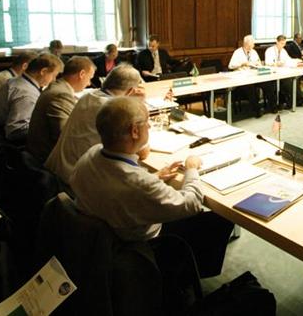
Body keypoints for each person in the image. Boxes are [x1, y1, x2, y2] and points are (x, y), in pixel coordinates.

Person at [70, 97, 233, 278]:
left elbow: (117, 185)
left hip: (102, 239)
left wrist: (155, 177)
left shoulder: (91, 154)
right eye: (147, 123)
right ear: (134, 131)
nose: (149, 127)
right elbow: (192, 203)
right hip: (141, 247)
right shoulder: (139, 183)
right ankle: (183, 278)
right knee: (222, 216)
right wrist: (192, 169)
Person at [45, 65, 144, 186]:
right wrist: (138, 104)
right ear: (131, 91)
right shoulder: (114, 109)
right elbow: (143, 152)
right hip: (74, 181)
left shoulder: (88, 96)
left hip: (56, 170)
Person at [27, 56, 96, 164]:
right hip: (47, 159)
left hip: (38, 153)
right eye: (90, 78)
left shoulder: (57, 87)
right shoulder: (61, 95)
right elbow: (65, 136)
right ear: (82, 74)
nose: (89, 83)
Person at [0, 53, 63, 142]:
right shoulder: (26, 93)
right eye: (53, 75)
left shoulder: (15, 81)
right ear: (43, 71)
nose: (54, 80)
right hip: (14, 145)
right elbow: (16, 131)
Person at [228, 35, 276, 116]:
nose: (254, 45)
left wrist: (258, 64)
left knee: (269, 84)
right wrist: (242, 63)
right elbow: (231, 65)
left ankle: (273, 107)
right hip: (243, 78)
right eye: (253, 43)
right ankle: (256, 110)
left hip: (254, 75)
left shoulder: (253, 52)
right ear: (247, 44)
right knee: (250, 87)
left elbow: (259, 63)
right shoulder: (238, 52)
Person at [264, 35, 303, 108]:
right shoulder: (269, 50)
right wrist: (276, 63)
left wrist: (297, 61)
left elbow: (288, 60)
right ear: (277, 42)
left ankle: (295, 101)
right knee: (286, 83)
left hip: (282, 72)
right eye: (281, 43)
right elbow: (267, 62)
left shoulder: (283, 51)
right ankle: (283, 103)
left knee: (293, 80)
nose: (283, 45)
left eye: (284, 44)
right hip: (272, 73)